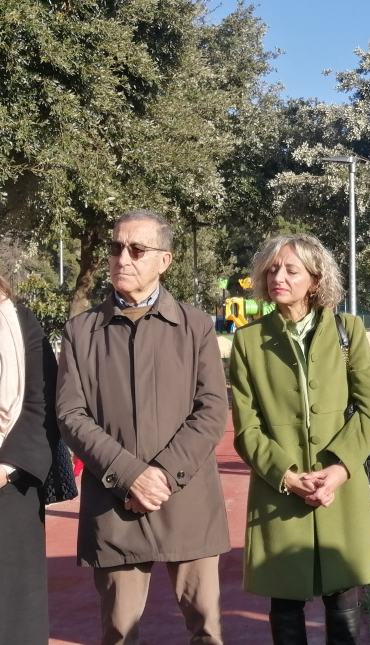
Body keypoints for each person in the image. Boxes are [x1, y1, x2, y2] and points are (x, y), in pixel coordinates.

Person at [56, 210, 230, 645]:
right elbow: (70, 415)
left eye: (137, 249)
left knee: (206, 629)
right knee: (118, 632)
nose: (123, 258)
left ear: (164, 261)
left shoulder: (195, 326)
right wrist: (130, 475)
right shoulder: (81, 331)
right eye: (116, 247)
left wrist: (164, 476)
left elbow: (211, 409)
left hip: (187, 499)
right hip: (114, 503)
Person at [229, 233, 370, 644]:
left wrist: (338, 470)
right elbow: (247, 429)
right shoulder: (248, 342)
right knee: (284, 605)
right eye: (273, 269)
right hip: (279, 492)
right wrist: (286, 474)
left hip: (340, 486)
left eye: (291, 269)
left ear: (315, 280)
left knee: (344, 600)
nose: (278, 276)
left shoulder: (347, 331)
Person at [0, 273, 58, 644]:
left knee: (13, 616)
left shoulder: (20, 323)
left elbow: (42, 405)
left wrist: (6, 467)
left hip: (10, 484)